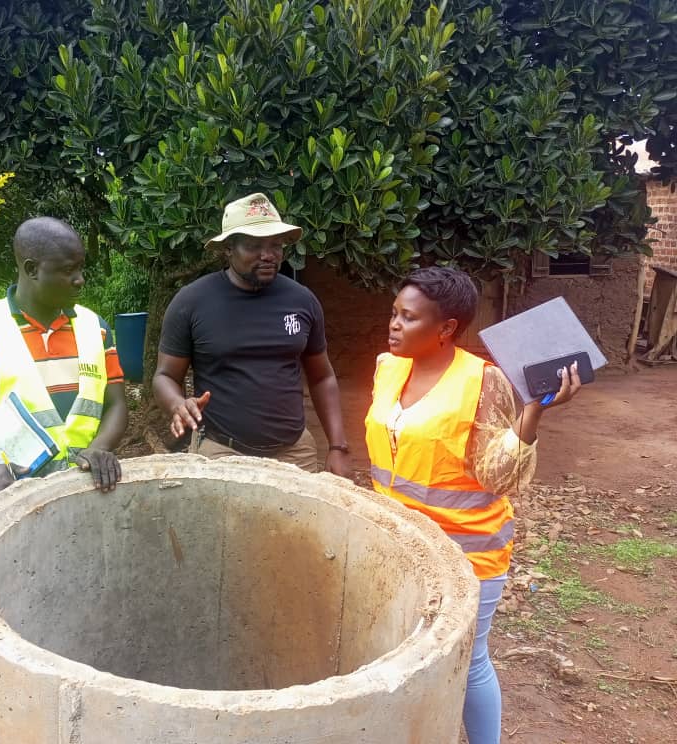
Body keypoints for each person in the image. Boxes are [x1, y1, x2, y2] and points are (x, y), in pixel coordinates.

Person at [364, 266, 581, 744]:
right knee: (402, 649)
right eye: (394, 313)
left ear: (446, 328)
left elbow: (500, 477)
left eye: (409, 317)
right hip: (399, 544)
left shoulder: (482, 381)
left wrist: (532, 414)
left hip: (467, 553)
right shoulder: (387, 367)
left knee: (468, 657)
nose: (394, 324)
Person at [0, 217, 128, 495]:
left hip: (87, 495)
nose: (80, 280)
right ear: (32, 269)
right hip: (13, 501)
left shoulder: (97, 329)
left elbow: (116, 404)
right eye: (68, 270)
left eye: (81, 268)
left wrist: (99, 448)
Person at [154, 193, 350, 475]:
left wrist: (338, 446)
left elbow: (322, 377)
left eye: (275, 245)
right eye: (254, 245)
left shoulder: (302, 301)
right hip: (220, 452)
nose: (268, 255)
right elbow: (165, 376)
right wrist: (177, 404)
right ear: (228, 248)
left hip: (295, 453)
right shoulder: (191, 302)